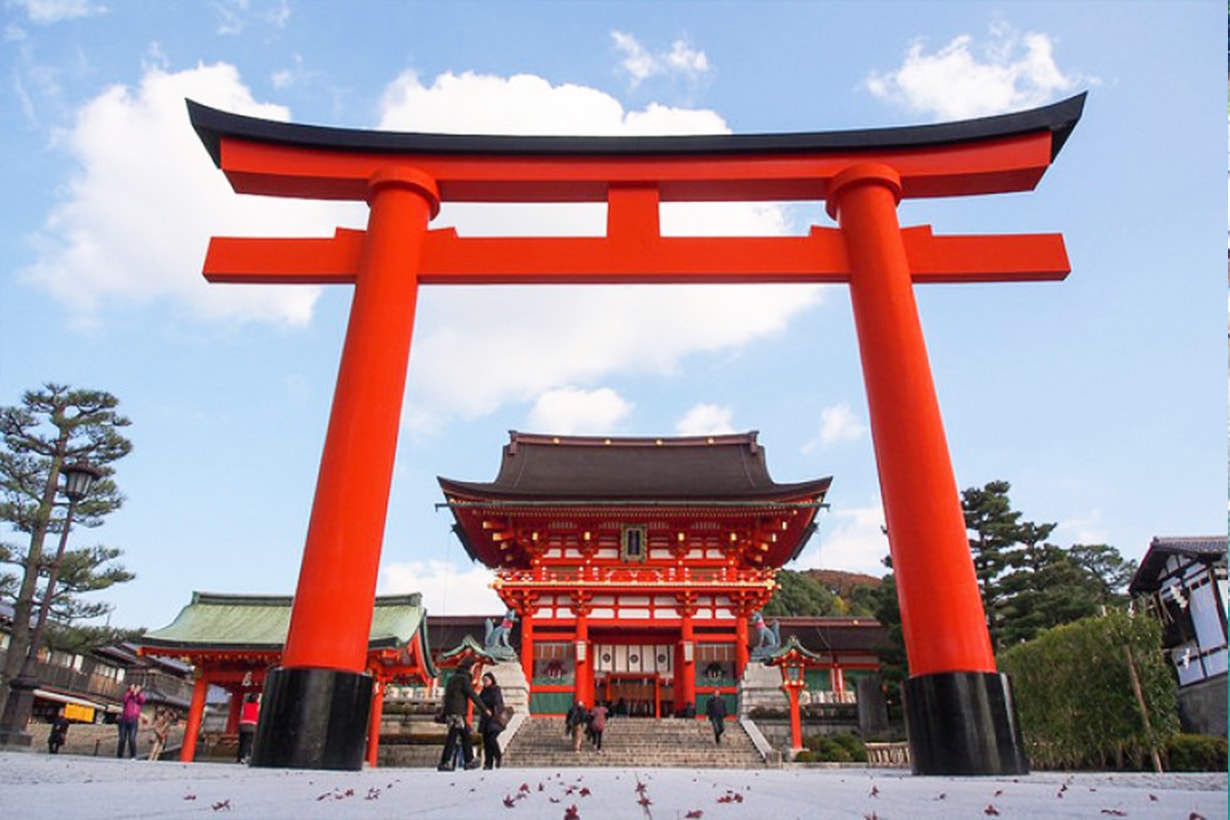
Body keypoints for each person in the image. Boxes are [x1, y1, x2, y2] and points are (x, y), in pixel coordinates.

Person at [437, 658, 490, 771]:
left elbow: (447, 696)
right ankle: (447, 762)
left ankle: (467, 760)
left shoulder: (452, 679)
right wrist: (484, 709)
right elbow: (472, 695)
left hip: (450, 711)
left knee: (465, 735)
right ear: (469, 668)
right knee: (454, 737)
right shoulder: (464, 679)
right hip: (458, 713)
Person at [477, 671, 506, 770]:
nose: (485, 682)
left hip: (494, 719)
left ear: (492, 680)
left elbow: (497, 702)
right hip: (485, 719)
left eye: (486, 680)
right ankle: (488, 763)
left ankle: (498, 756)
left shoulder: (496, 689)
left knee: (492, 739)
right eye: (483, 680)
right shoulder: (483, 691)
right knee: (486, 741)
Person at [116, 684, 145, 758]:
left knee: (132, 739)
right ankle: (119, 755)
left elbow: (142, 700)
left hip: (133, 720)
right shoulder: (128, 695)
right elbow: (124, 700)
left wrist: (137, 693)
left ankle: (133, 756)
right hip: (124, 719)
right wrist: (131, 692)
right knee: (122, 738)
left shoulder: (139, 697)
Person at [237, 694, 260, 764]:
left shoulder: (245, 705)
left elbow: (241, 714)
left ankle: (240, 757)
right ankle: (246, 756)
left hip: (243, 725)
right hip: (252, 725)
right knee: (249, 742)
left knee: (242, 742)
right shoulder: (257, 706)